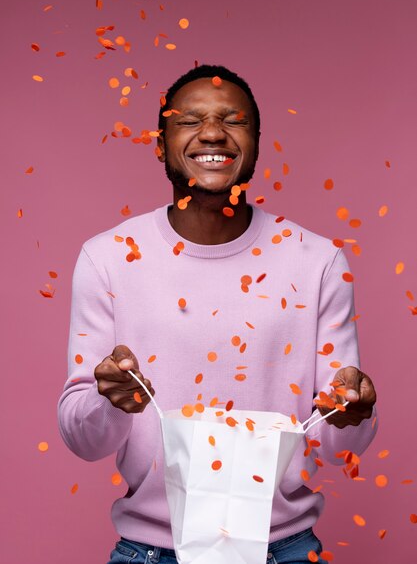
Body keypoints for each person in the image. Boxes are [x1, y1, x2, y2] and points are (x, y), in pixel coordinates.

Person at [58, 64, 377, 564]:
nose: (212, 132)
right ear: (161, 144)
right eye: (188, 120)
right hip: (150, 552)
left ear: (255, 142)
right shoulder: (107, 258)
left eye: (234, 120)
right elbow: (82, 437)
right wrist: (110, 401)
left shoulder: (319, 261)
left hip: (286, 550)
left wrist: (354, 410)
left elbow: (340, 442)